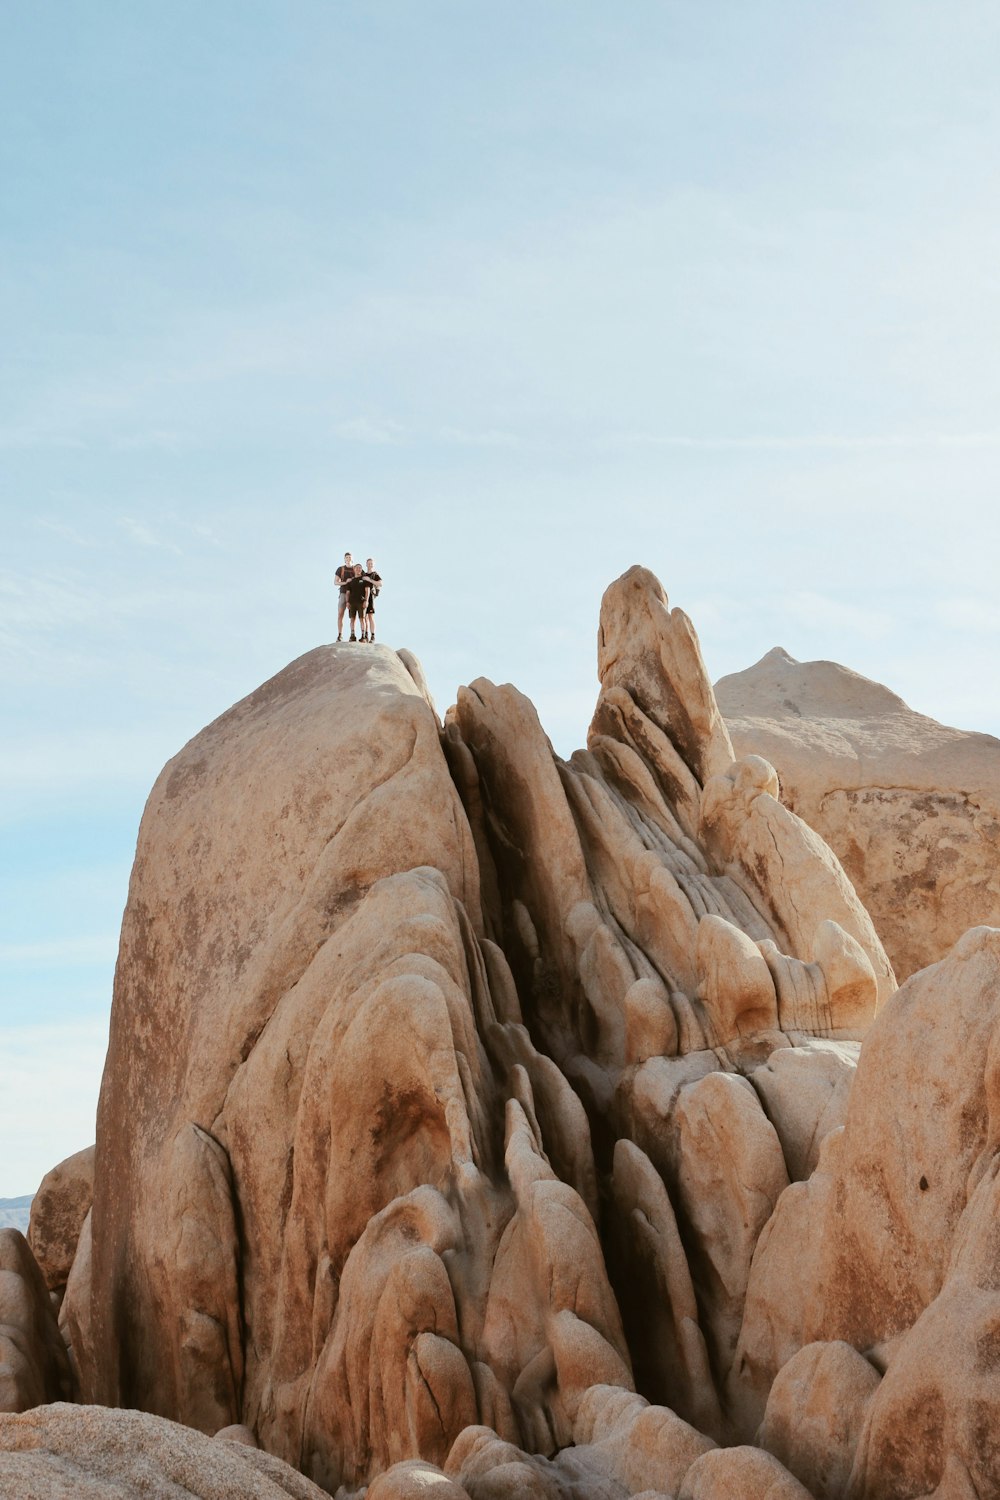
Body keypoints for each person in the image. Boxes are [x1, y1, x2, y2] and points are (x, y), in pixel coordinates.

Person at [344, 563, 370, 642]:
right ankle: (352, 635)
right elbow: (347, 593)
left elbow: (367, 591)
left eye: (360, 568)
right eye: (357, 568)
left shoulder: (364, 579)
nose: (358, 569)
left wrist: (366, 600)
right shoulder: (351, 581)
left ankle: (363, 636)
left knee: (362, 619)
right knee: (352, 619)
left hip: (361, 602)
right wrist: (347, 602)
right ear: (354, 569)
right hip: (352, 602)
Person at [361, 557, 382, 642]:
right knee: (364, 617)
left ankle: (373, 636)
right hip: (363, 597)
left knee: (370, 616)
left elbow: (380, 583)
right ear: (366, 564)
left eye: (371, 563)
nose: (370, 565)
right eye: (368, 563)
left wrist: (369, 580)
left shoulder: (375, 574)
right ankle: (365, 635)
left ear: (373, 564)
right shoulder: (363, 575)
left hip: (371, 597)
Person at [334, 552, 354, 641]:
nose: (348, 558)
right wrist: (345, 582)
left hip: (353, 594)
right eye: (347, 557)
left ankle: (352, 634)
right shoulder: (341, 569)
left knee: (352, 615)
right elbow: (335, 582)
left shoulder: (356, 568)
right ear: (344, 559)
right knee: (340, 614)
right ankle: (339, 635)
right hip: (343, 592)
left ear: (352, 558)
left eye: (350, 557)